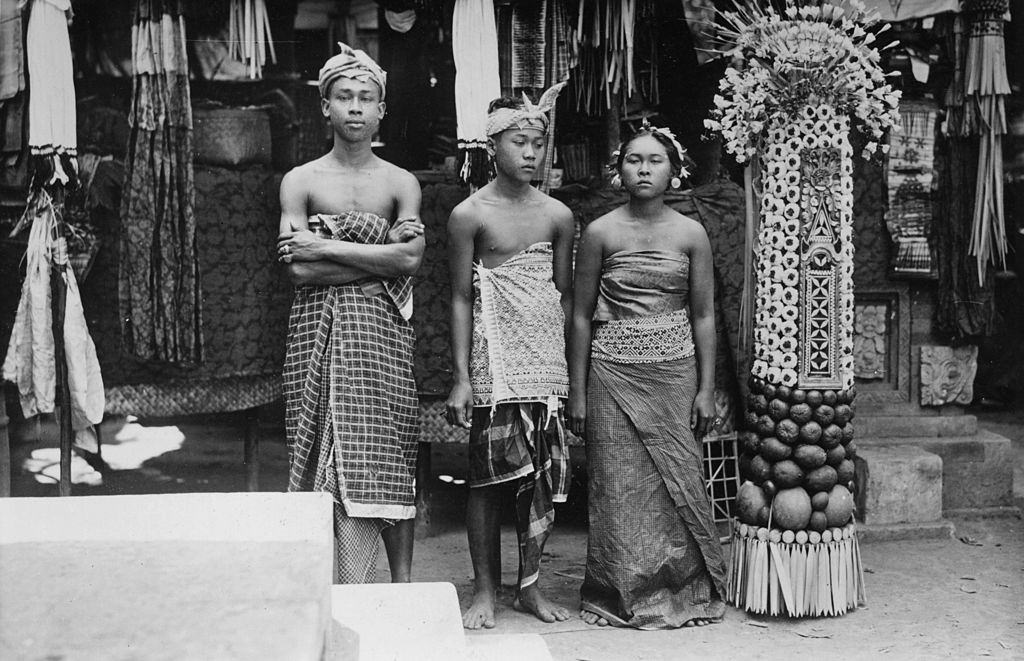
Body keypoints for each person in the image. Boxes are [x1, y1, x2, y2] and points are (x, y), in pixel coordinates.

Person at [567, 120, 727, 629]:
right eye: (633, 160)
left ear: (674, 172)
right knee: (617, 488)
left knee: (676, 484)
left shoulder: (690, 233)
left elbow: (704, 313)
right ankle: (617, 593)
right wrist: (577, 392)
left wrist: (705, 388)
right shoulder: (599, 232)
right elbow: (580, 314)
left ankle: (688, 590)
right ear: (618, 172)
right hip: (612, 377)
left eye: (655, 160)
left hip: (675, 375)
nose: (643, 168)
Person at [278, 43, 425, 584]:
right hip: (316, 330)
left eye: (366, 98)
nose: (356, 108)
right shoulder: (301, 179)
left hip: (382, 336)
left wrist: (327, 247)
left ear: (382, 108)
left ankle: (402, 587)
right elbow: (298, 272)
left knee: (389, 449)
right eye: (344, 97)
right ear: (325, 106)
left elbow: (411, 258)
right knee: (318, 447)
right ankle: (325, 584)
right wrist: (379, 258)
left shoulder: (399, 182)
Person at [445, 85, 575, 629]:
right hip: (492, 366)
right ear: (492, 146)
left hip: (543, 366)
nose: (530, 154)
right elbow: (458, 296)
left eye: (538, 144)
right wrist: (460, 377)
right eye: (519, 142)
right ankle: (483, 590)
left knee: (538, 477)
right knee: (487, 481)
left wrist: (561, 366)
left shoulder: (559, 215)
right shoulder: (469, 215)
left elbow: (563, 295)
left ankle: (531, 588)